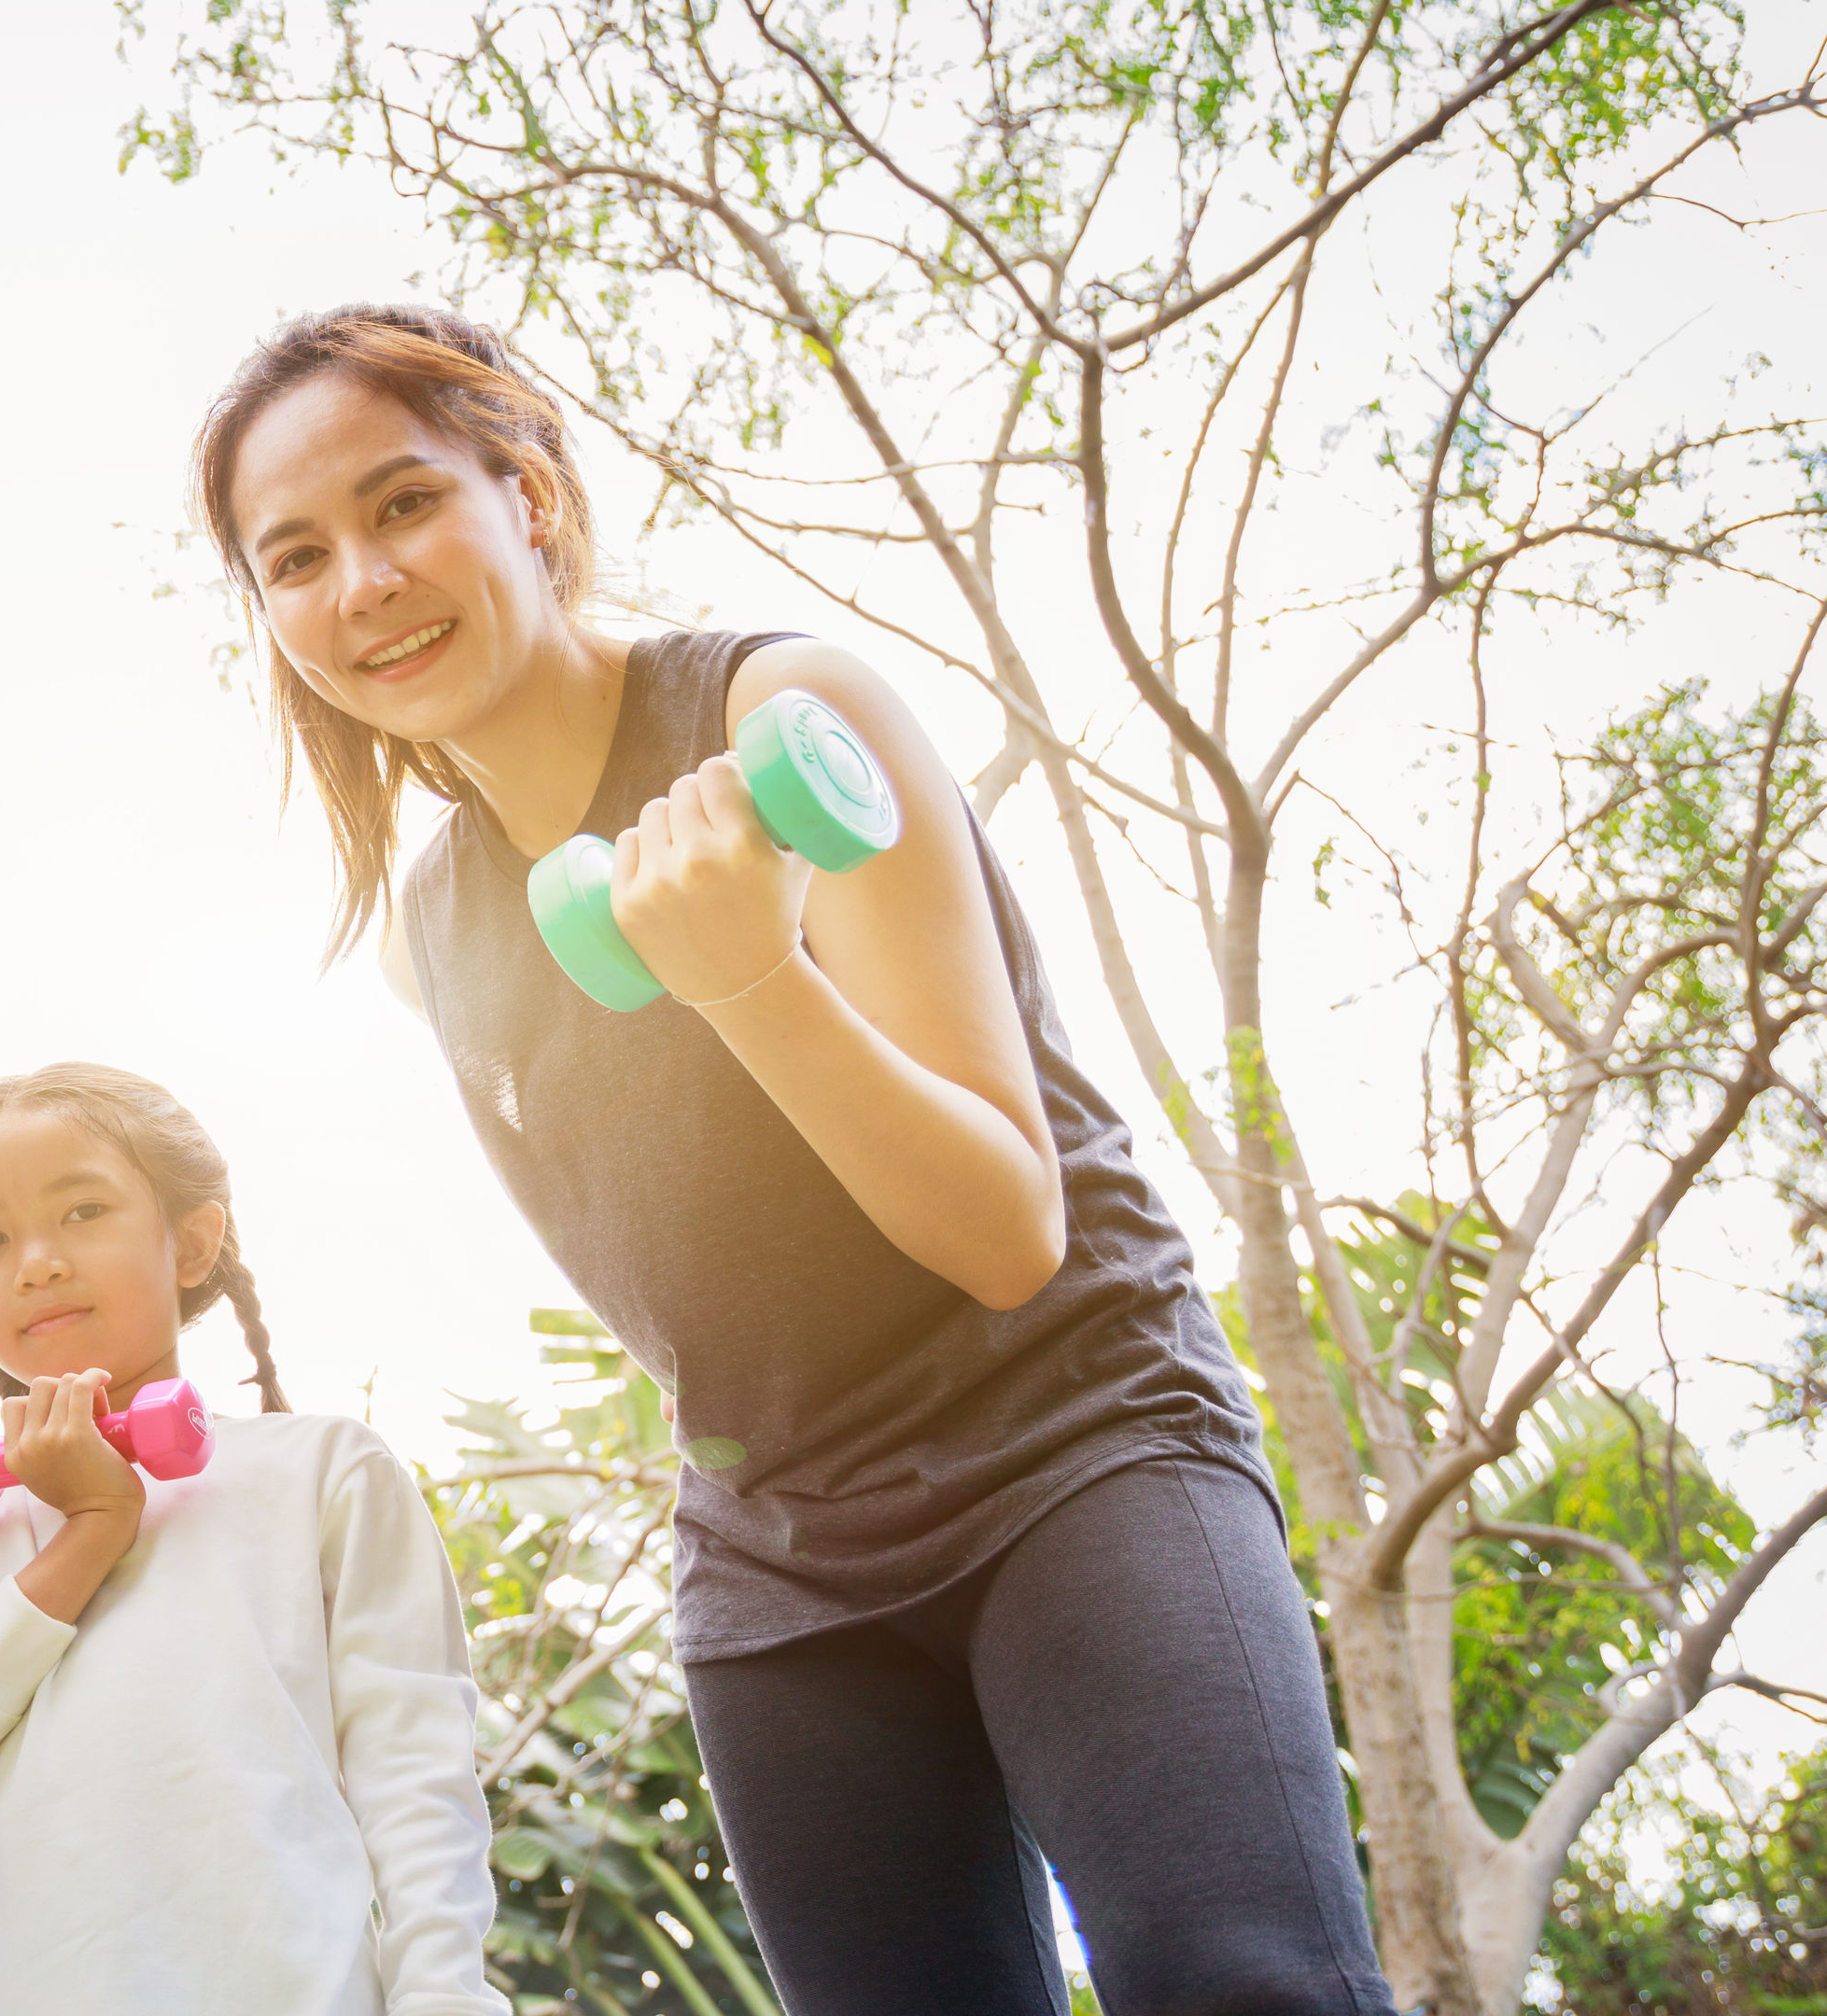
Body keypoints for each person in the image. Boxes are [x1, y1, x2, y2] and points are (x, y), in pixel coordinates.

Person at [192, 304, 1398, 2014]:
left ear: (525, 490)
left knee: (1240, 1982)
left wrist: (753, 976)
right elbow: (670, 1284)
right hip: (782, 1558)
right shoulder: (434, 935)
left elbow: (1003, 1228)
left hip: (1073, 1437)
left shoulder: (785, 715)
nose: (362, 585)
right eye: (295, 557)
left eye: (403, 506)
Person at [0, 1063, 507, 2016]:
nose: (35, 1261)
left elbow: (415, 1776)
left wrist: (445, 2002)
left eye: (81, 1212)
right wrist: (91, 1530)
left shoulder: (325, 1471)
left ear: (193, 1243)